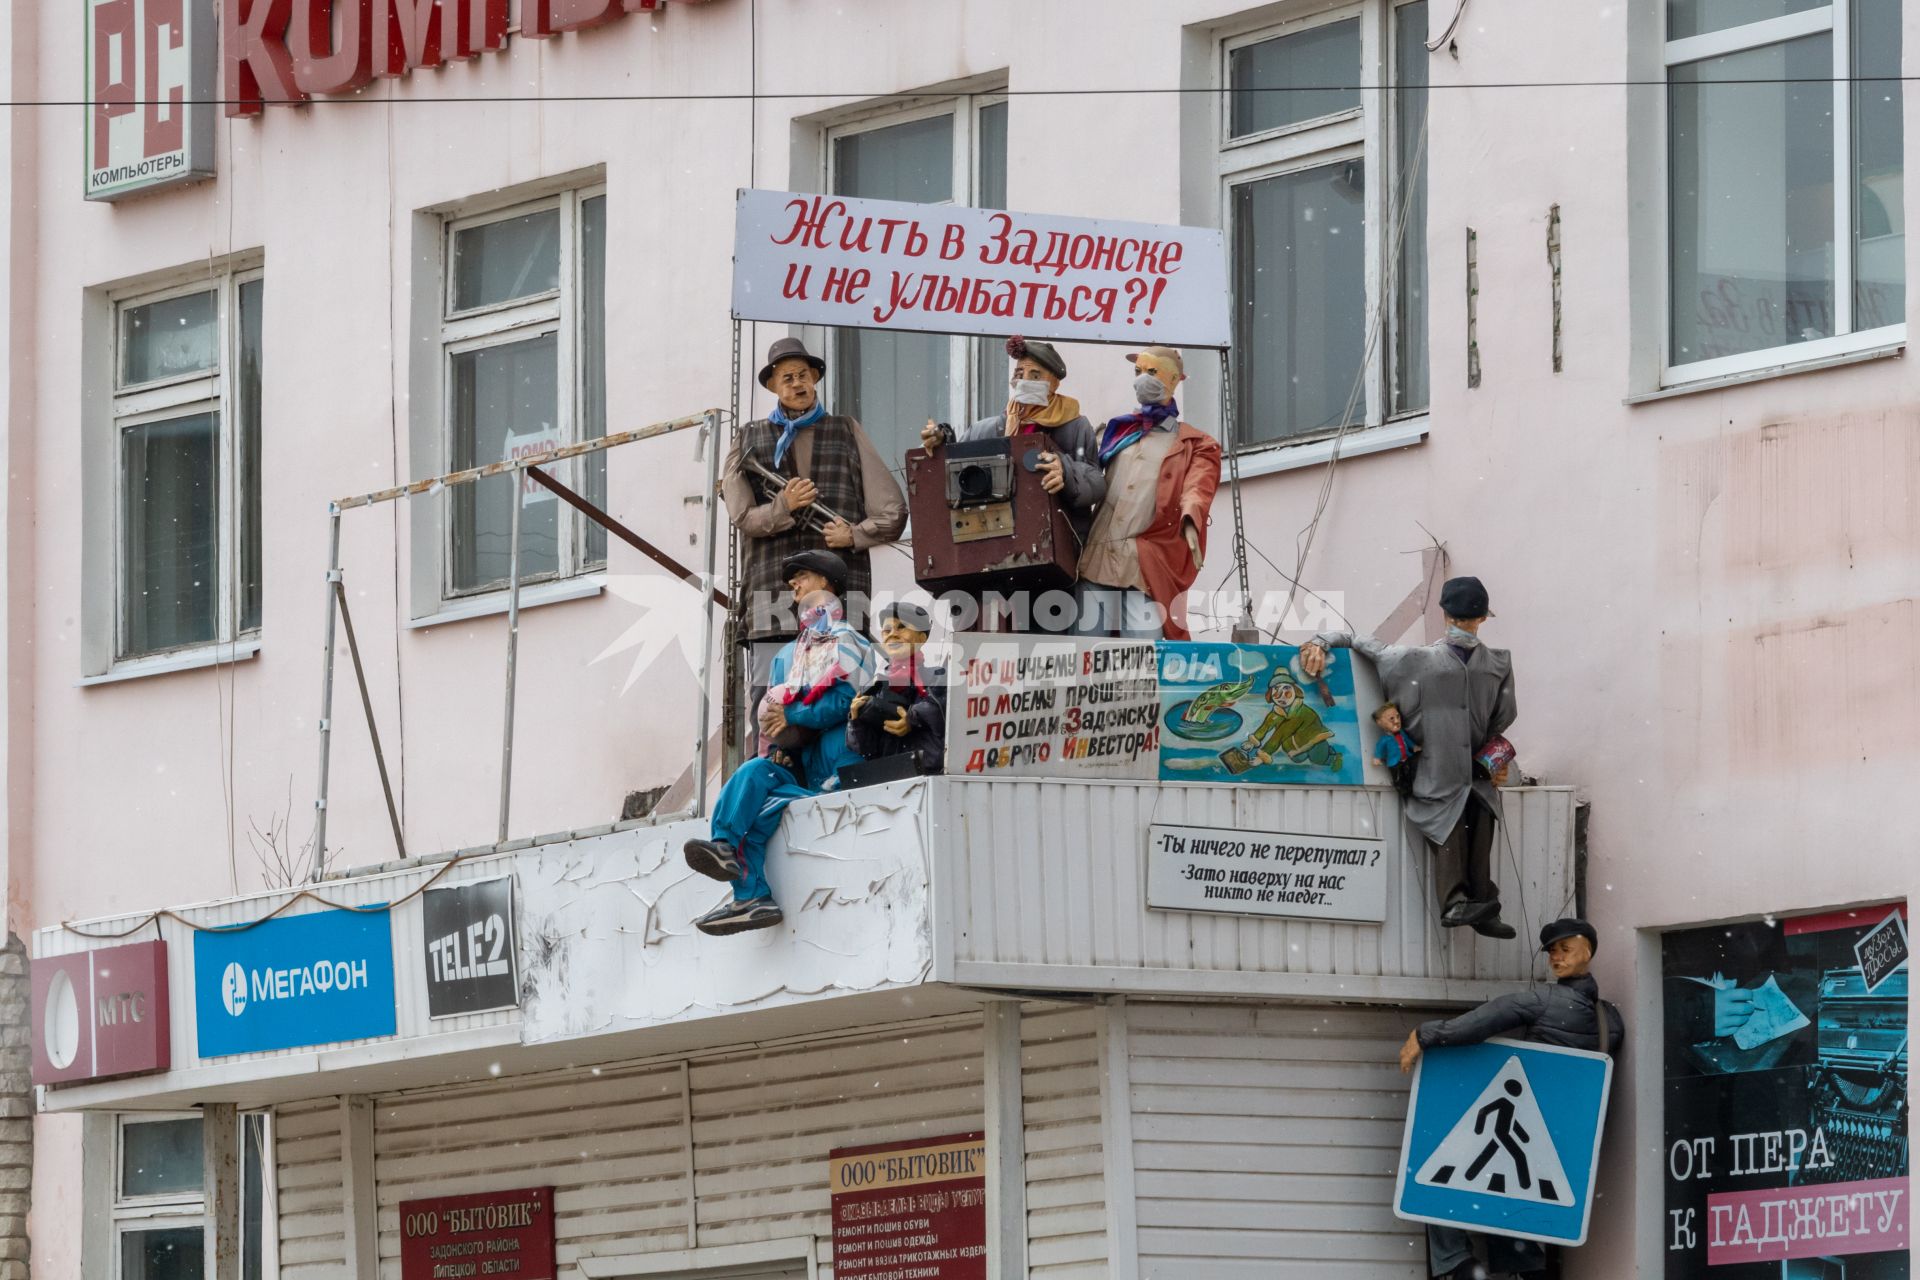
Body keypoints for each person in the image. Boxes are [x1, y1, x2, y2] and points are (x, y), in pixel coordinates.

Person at [1398, 917, 1624, 1280]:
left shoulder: (1543, 1001)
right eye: (1552, 952)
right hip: (1560, 1140)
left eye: (1565, 949)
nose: (1556, 958)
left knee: (1436, 1177)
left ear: (1589, 951)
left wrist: (1424, 1034)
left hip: (1528, 1121)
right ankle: (1523, 1265)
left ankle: (1457, 1262)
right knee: (1510, 1188)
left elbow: (1479, 1023)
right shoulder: (1609, 1020)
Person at [1300, 576, 1518, 939]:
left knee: (1473, 826)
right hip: (1449, 772)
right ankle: (1457, 903)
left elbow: (1358, 641)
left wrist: (1321, 641)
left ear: (1445, 614)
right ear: (1484, 617)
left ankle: (1480, 903)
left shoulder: (1414, 660)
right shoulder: (1493, 663)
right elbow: (1503, 717)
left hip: (1461, 774)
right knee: (1458, 829)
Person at [683, 550, 872, 937]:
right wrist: (775, 729)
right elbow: (770, 715)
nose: (793, 585)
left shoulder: (849, 639)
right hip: (802, 773)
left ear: (826, 584)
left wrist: (794, 717)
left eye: (801, 577)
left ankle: (747, 889)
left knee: (757, 814)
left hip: (842, 771)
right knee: (752, 775)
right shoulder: (788, 654)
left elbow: (845, 702)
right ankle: (746, 885)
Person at [723, 337, 907, 654]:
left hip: (841, 599)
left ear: (815, 378)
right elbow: (742, 517)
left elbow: (893, 513)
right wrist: (784, 506)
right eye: (788, 378)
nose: (798, 385)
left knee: (841, 695)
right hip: (773, 598)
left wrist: (855, 534)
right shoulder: (747, 436)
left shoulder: (846, 430)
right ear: (772, 386)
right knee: (773, 699)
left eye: (803, 375)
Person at [1075, 346, 1221, 640]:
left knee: (1145, 657)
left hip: (1143, 563)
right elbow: (1084, 473)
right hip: (1097, 556)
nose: (1142, 379)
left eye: (1152, 372)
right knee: (1085, 656)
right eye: (1138, 371)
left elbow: (1198, 486)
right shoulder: (1116, 432)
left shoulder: (1196, 443)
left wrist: (1191, 519)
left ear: (1173, 379)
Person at [919, 335, 1106, 546]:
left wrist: (1065, 470)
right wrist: (941, 442)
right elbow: (956, 474)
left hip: (1055, 547)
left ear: (1053, 383)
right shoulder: (987, 429)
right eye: (1019, 373)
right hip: (997, 548)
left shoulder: (1074, 426)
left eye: (1035, 376)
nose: (1024, 380)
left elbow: (1097, 483)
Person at [846, 601, 946, 773]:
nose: (892, 635)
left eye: (902, 627)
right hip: (889, 779)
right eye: (887, 630)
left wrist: (911, 718)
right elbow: (866, 750)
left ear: (922, 638)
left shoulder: (938, 675)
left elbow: (942, 710)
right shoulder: (874, 687)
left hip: (931, 776)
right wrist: (856, 721)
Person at [1240, 674, 1343, 772]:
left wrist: (1263, 756)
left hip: (1313, 742)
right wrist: (1252, 742)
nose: (1281, 696)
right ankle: (1306, 753)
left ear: (1295, 691)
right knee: (1297, 759)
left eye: (1286, 688)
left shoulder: (1301, 712)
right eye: (1276, 689)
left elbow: (1279, 735)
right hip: (1294, 745)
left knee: (1318, 760)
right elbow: (1266, 726)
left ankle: (1334, 757)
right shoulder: (1277, 711)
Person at [1374, 703, 1421, 797]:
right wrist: (1377, 758)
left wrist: (1414, 746)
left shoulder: (1401, 733)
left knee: (1409, 773)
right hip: (1394, 762)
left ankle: (1410, 788)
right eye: (1391, 719)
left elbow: (1407, 741)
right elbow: (1379, 748)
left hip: (1406, 758)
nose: (1396, 721)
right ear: (1380, 723)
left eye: (1398, 717)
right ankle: (1402, 789)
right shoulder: (1385, 739)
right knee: (1398, 777)